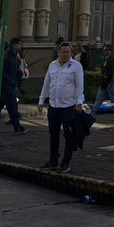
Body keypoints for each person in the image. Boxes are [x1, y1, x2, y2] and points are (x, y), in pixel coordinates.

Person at [38, 42, 85, 172]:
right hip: (54, 105)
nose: (65, 55)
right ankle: (53, 160)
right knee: (53, 134)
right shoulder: (52, 66)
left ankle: (66, 162)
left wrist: (79, 102)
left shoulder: (76, 66)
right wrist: (41, 100)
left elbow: (79, 86)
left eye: (68, 52)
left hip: (68, 107)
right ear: (58, 53)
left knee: (69, 135)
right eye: (63, 52)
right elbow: (46, 83)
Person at [0, 38, 26, 134]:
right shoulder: (7, 56)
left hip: (10, 83)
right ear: (13, 45)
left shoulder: (14, 56)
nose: (20, 46)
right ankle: (17, 127)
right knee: (12, 106)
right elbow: (0, 70)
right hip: (7, 84)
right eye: (19, 44)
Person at [90, 44, 114, 122]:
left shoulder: (112, 60)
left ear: (110, 51)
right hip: (104, 82)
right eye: (104, 50)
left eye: (106, 50)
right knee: (99, 99)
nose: (104, 52)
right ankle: (92, 115)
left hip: (110, 82)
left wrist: (111, 82)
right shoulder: (105, 60)